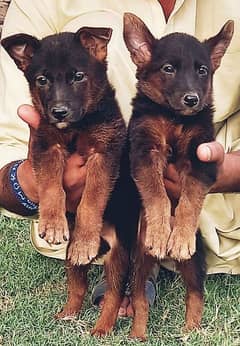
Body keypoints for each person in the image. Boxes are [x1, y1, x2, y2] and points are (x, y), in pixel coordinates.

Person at [0, 0, 240, 317]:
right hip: (95, 221)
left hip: (216, 225)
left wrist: (229, 173)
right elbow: (6, 145)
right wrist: (33, 185)